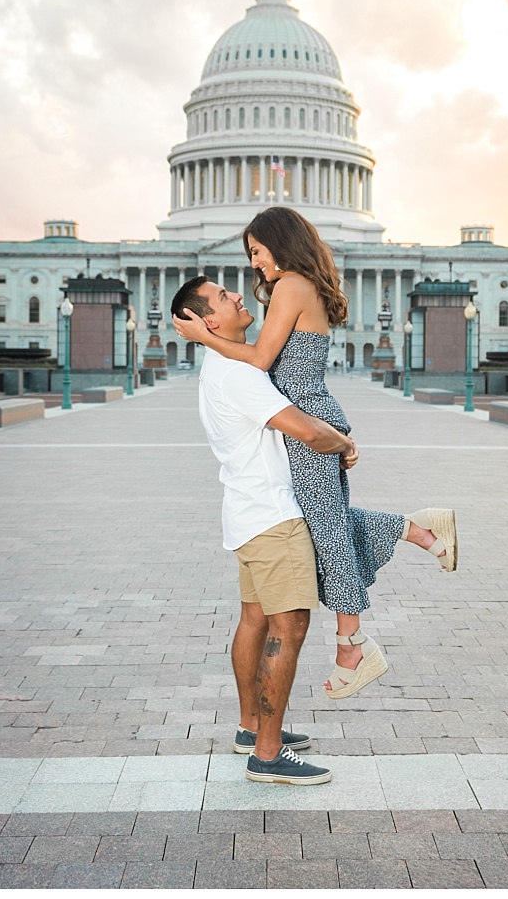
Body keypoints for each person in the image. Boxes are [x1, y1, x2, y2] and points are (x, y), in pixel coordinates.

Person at [175, 206, 456, 701]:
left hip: (306, 421)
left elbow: (261, 359)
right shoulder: (297, 286)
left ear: (279, 242)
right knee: (327, 522)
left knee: (328, 533)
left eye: (256, 251)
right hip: (308, 415)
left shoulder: (290, 286)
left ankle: (352, 647)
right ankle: (419, 530)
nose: (254, 264)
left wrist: (204, 337)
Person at [171, 275, 351, 785]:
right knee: (288, 628)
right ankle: (268, 755)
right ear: (209, 322)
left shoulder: (219, 365)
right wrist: (344, 443)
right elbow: (307, 430)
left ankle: (252, 728)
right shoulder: (238, 374)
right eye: (222, 297)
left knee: (254, 620)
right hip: (274, 519)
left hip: (246, 515)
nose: (236, 295)